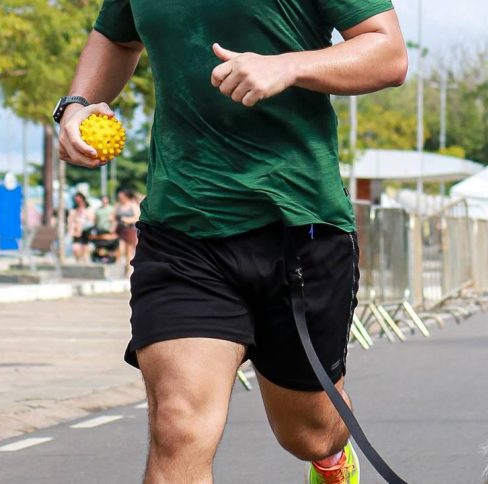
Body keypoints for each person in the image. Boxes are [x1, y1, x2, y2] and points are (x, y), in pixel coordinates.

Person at [55, 1, 406, 482]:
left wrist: (288, 66)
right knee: (178, 426)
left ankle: (330, 459)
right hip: (183, 230)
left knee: (309, 434)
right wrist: (75, 105)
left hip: (297, 228)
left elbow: (388, 53)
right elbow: (116, 37)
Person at [113, 189, 140, 275]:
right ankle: (123, 267)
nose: (120, 198)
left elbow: (137, 217)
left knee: (128, 251)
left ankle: (128, 270)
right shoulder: (118, 205)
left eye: (121, 196)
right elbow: (113, 216)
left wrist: (127, 220)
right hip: (120, 230)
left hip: (130, 230)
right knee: (120, 249)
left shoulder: (133, 205)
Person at [67, 192, 96, 263]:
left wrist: (84, 213)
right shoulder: (73, 210)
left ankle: (84, 262)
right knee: (75, 248)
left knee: (85, 249)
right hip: (76, 231)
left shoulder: (88, 209)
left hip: (85, 231)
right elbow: (70, 220)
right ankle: (79, 261)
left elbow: (92, 219)